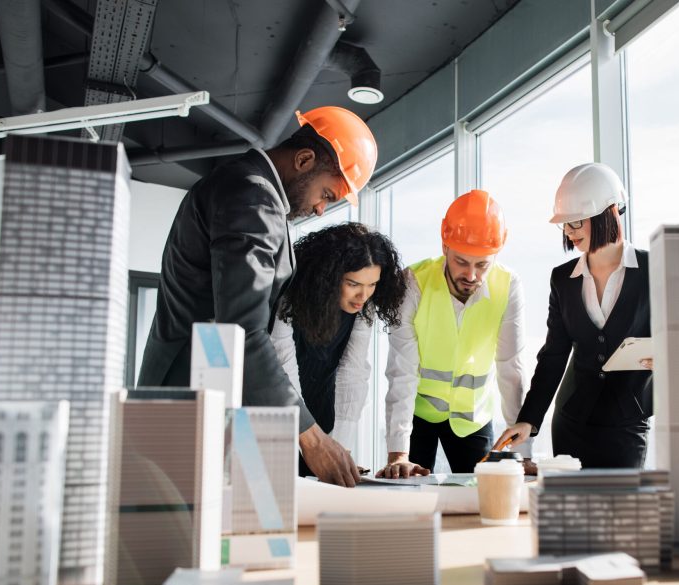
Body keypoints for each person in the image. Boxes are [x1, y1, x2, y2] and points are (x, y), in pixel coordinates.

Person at [137, 106, 377, 487]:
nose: (319, 209)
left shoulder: (245, 188)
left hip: (207, 395)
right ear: (304, 159)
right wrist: (312, 438)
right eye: (326, 195)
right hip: (191, 398)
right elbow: (242, 329)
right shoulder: (253, 197)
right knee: (183, 536)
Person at [493, 163, 653, 469]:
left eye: (575, 223)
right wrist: (528, 420)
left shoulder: (652, 269)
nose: (568, 232)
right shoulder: (563, 279)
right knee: (571, 514)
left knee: (621, 513)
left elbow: (678, 339)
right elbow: (553, 356)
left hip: (627, 424)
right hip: (571, 423)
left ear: (607, 213)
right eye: (565, 225)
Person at [377, 190, 533, 478]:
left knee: (482, 496)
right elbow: (403, 371)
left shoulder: (508, 286)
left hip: (473, 419)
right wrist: (399, 453)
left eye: (482, 264)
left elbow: (511, 367)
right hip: (418, 414)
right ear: (445, 246)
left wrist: (522, 453)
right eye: (462, 261)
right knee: (411, 495)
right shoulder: (413, 283)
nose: (471, 275)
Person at [270, 223, 408, 478]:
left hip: (322, 415)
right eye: (353, 283)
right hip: (277, 416)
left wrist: (339, 449)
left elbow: (352, 376)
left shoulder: (363, 310)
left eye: (372, 285)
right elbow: (282, 366)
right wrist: (310, 442)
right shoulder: (289, 299)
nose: (363, 295)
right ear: (329, 276)